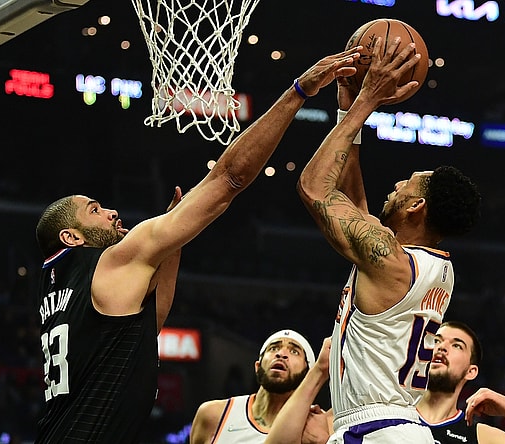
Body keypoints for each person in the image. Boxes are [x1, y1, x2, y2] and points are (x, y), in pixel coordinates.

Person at [32, 46, 363, 444]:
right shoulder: (111, 262)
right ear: (72, 236)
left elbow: (147, 325)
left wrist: (174, 242)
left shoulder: (57, 285)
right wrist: (298, 91)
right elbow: (227, 180)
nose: (113, 212)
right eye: (95, 210)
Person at [296, 36, 482, 443]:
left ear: (416, 208)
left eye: (406, 184)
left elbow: (314, 188)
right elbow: (357, 209)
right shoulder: (429, 265)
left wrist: (368, 99)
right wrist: (348, 105)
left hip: (377, 430)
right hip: (393, 426)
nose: (396, 184)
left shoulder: (391, 260)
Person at [263, 323, 505, 444]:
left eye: (456, 345)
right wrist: (321, 371)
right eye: (436, 340)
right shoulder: (375, 405)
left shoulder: (480, 436)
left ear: (471, 372)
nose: (441, 347)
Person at [189, 329, 317, 444]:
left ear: (308, 375)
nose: (281, 354)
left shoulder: (317, 426)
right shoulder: (212, 415)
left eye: (294, 351)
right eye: (273, 348)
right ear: (257, 367)